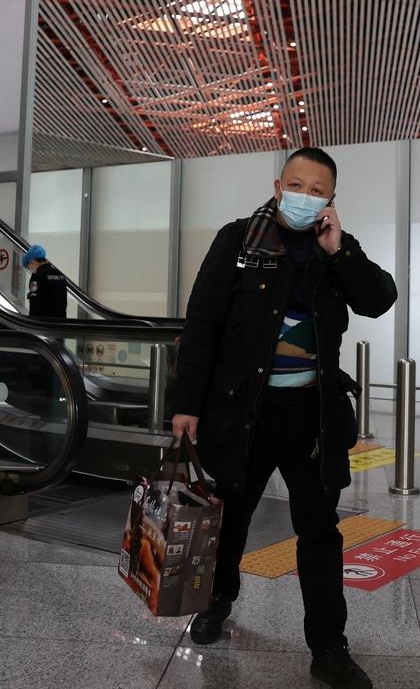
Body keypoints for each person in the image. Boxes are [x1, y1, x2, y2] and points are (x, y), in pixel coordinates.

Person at [168, 147, 397, 689]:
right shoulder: (237, 240)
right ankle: (217, 602)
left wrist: (340, 253)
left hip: (311, 417)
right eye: (297, 184)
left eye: (317, 190)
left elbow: (379, 298)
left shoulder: (334, 250)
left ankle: (329, 645)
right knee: (232, 517)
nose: (305, 196)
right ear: (278, 185)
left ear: (331, 200)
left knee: (319, 529)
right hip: (242, 413)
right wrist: (186, 404)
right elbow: (202, 324)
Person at [22, 245, 68, 319]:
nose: (30, 269)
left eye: (28, 267)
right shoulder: (59, 274)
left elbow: (34, 302)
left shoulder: (37, 276)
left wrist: (32, 322)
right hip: (61, 321)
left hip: (43, 323)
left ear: (31, 262)